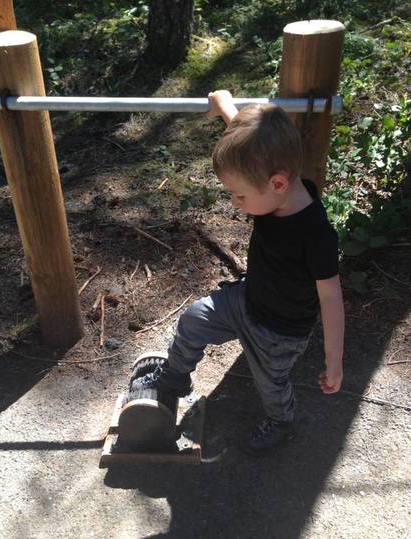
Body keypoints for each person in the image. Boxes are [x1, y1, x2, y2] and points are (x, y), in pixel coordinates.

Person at [132, 90, 345, 455]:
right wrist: (225, 106)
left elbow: (331, 299)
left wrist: (334, 363)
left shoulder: (316, 235)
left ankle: (281, 420)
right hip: (247, 300)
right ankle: (174, 378)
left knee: (271, 384)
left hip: (280, 332)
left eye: (240, 196)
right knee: (195, 319)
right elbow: (250, 143)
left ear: (277, 183)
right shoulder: (269, 177)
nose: (235, 203)